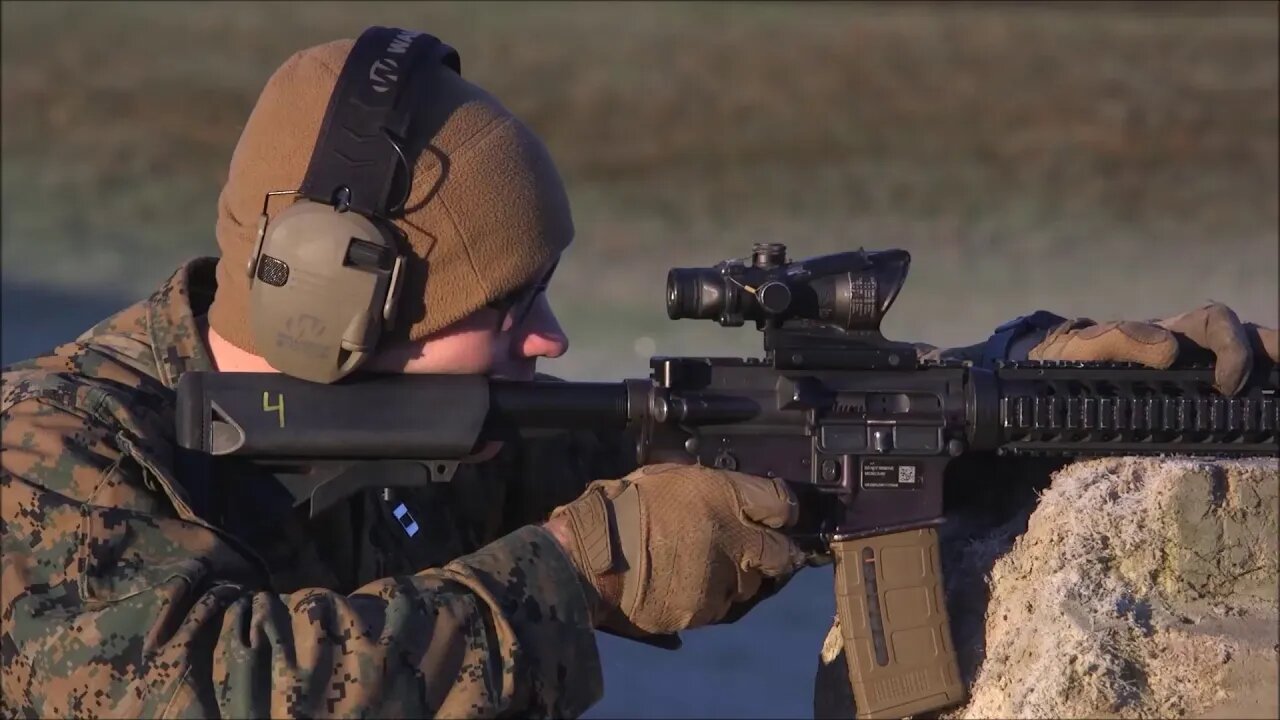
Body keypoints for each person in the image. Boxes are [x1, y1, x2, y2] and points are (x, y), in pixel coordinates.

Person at [1, 28, 1274, 720]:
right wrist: (578, 575)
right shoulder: (45, 461)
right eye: (505, 304)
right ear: (335, 300)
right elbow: (210, 688)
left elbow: (694, 451)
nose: (549, 336)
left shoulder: (430, 420)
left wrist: (1001, 382)